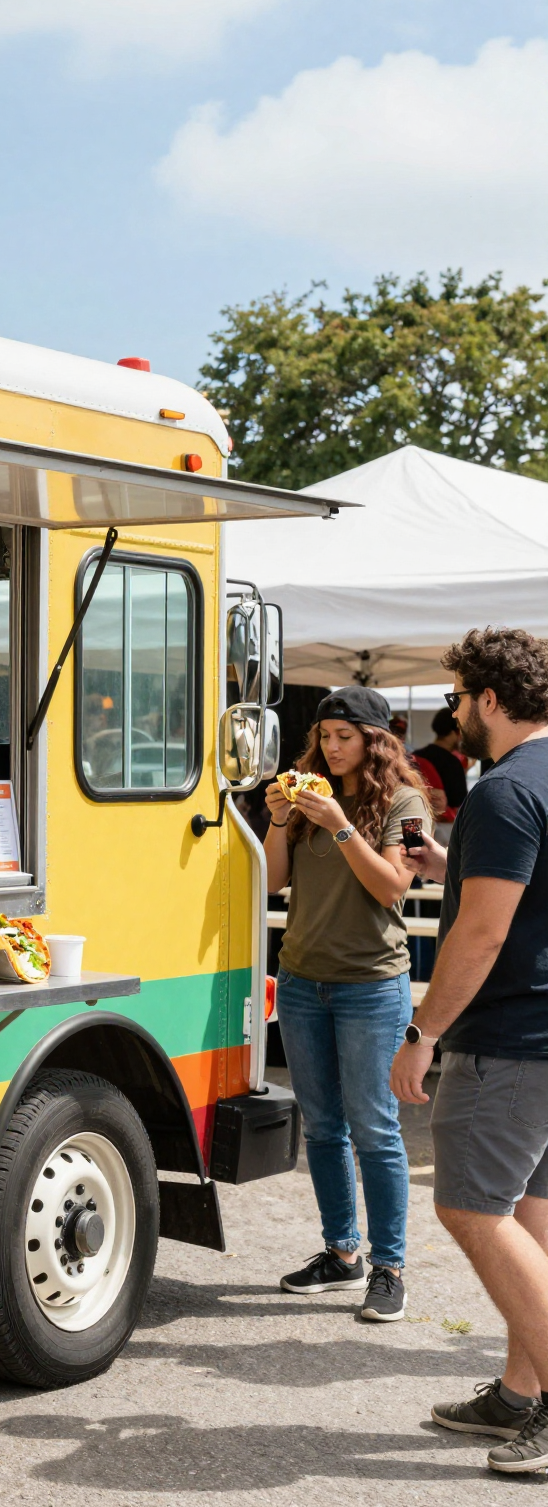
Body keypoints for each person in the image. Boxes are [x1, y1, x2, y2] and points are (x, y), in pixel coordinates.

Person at [390, 628, 548, 1473]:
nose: (454, 713)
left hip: (513, 1040)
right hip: (543, 1038)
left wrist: (422, 1036)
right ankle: (520, 1395)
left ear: (490, 700)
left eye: (458, 698)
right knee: (530, 1213)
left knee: (472, 1209)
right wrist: (450, 862)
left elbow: (482, 935)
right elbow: (523, 895)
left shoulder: (503, 792)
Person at [264, 686, 431, 1321]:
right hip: (303, 979)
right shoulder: (307, 795)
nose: (331, 748)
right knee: (324, 1127)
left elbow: (393, 886)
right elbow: (274, 881)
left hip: (371, 985)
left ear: (374, 739)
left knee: (376, 1129)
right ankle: (342, 1255)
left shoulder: (408, 802)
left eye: (345, 737)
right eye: (324, 736)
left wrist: (338, 828)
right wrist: (281, 818)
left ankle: (390, 1268)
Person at [416, 709, 470, 827]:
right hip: (443, 828)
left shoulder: (416, 755)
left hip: (417, 822)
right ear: (453, 733)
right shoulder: (453, 763)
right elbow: (459, 802)